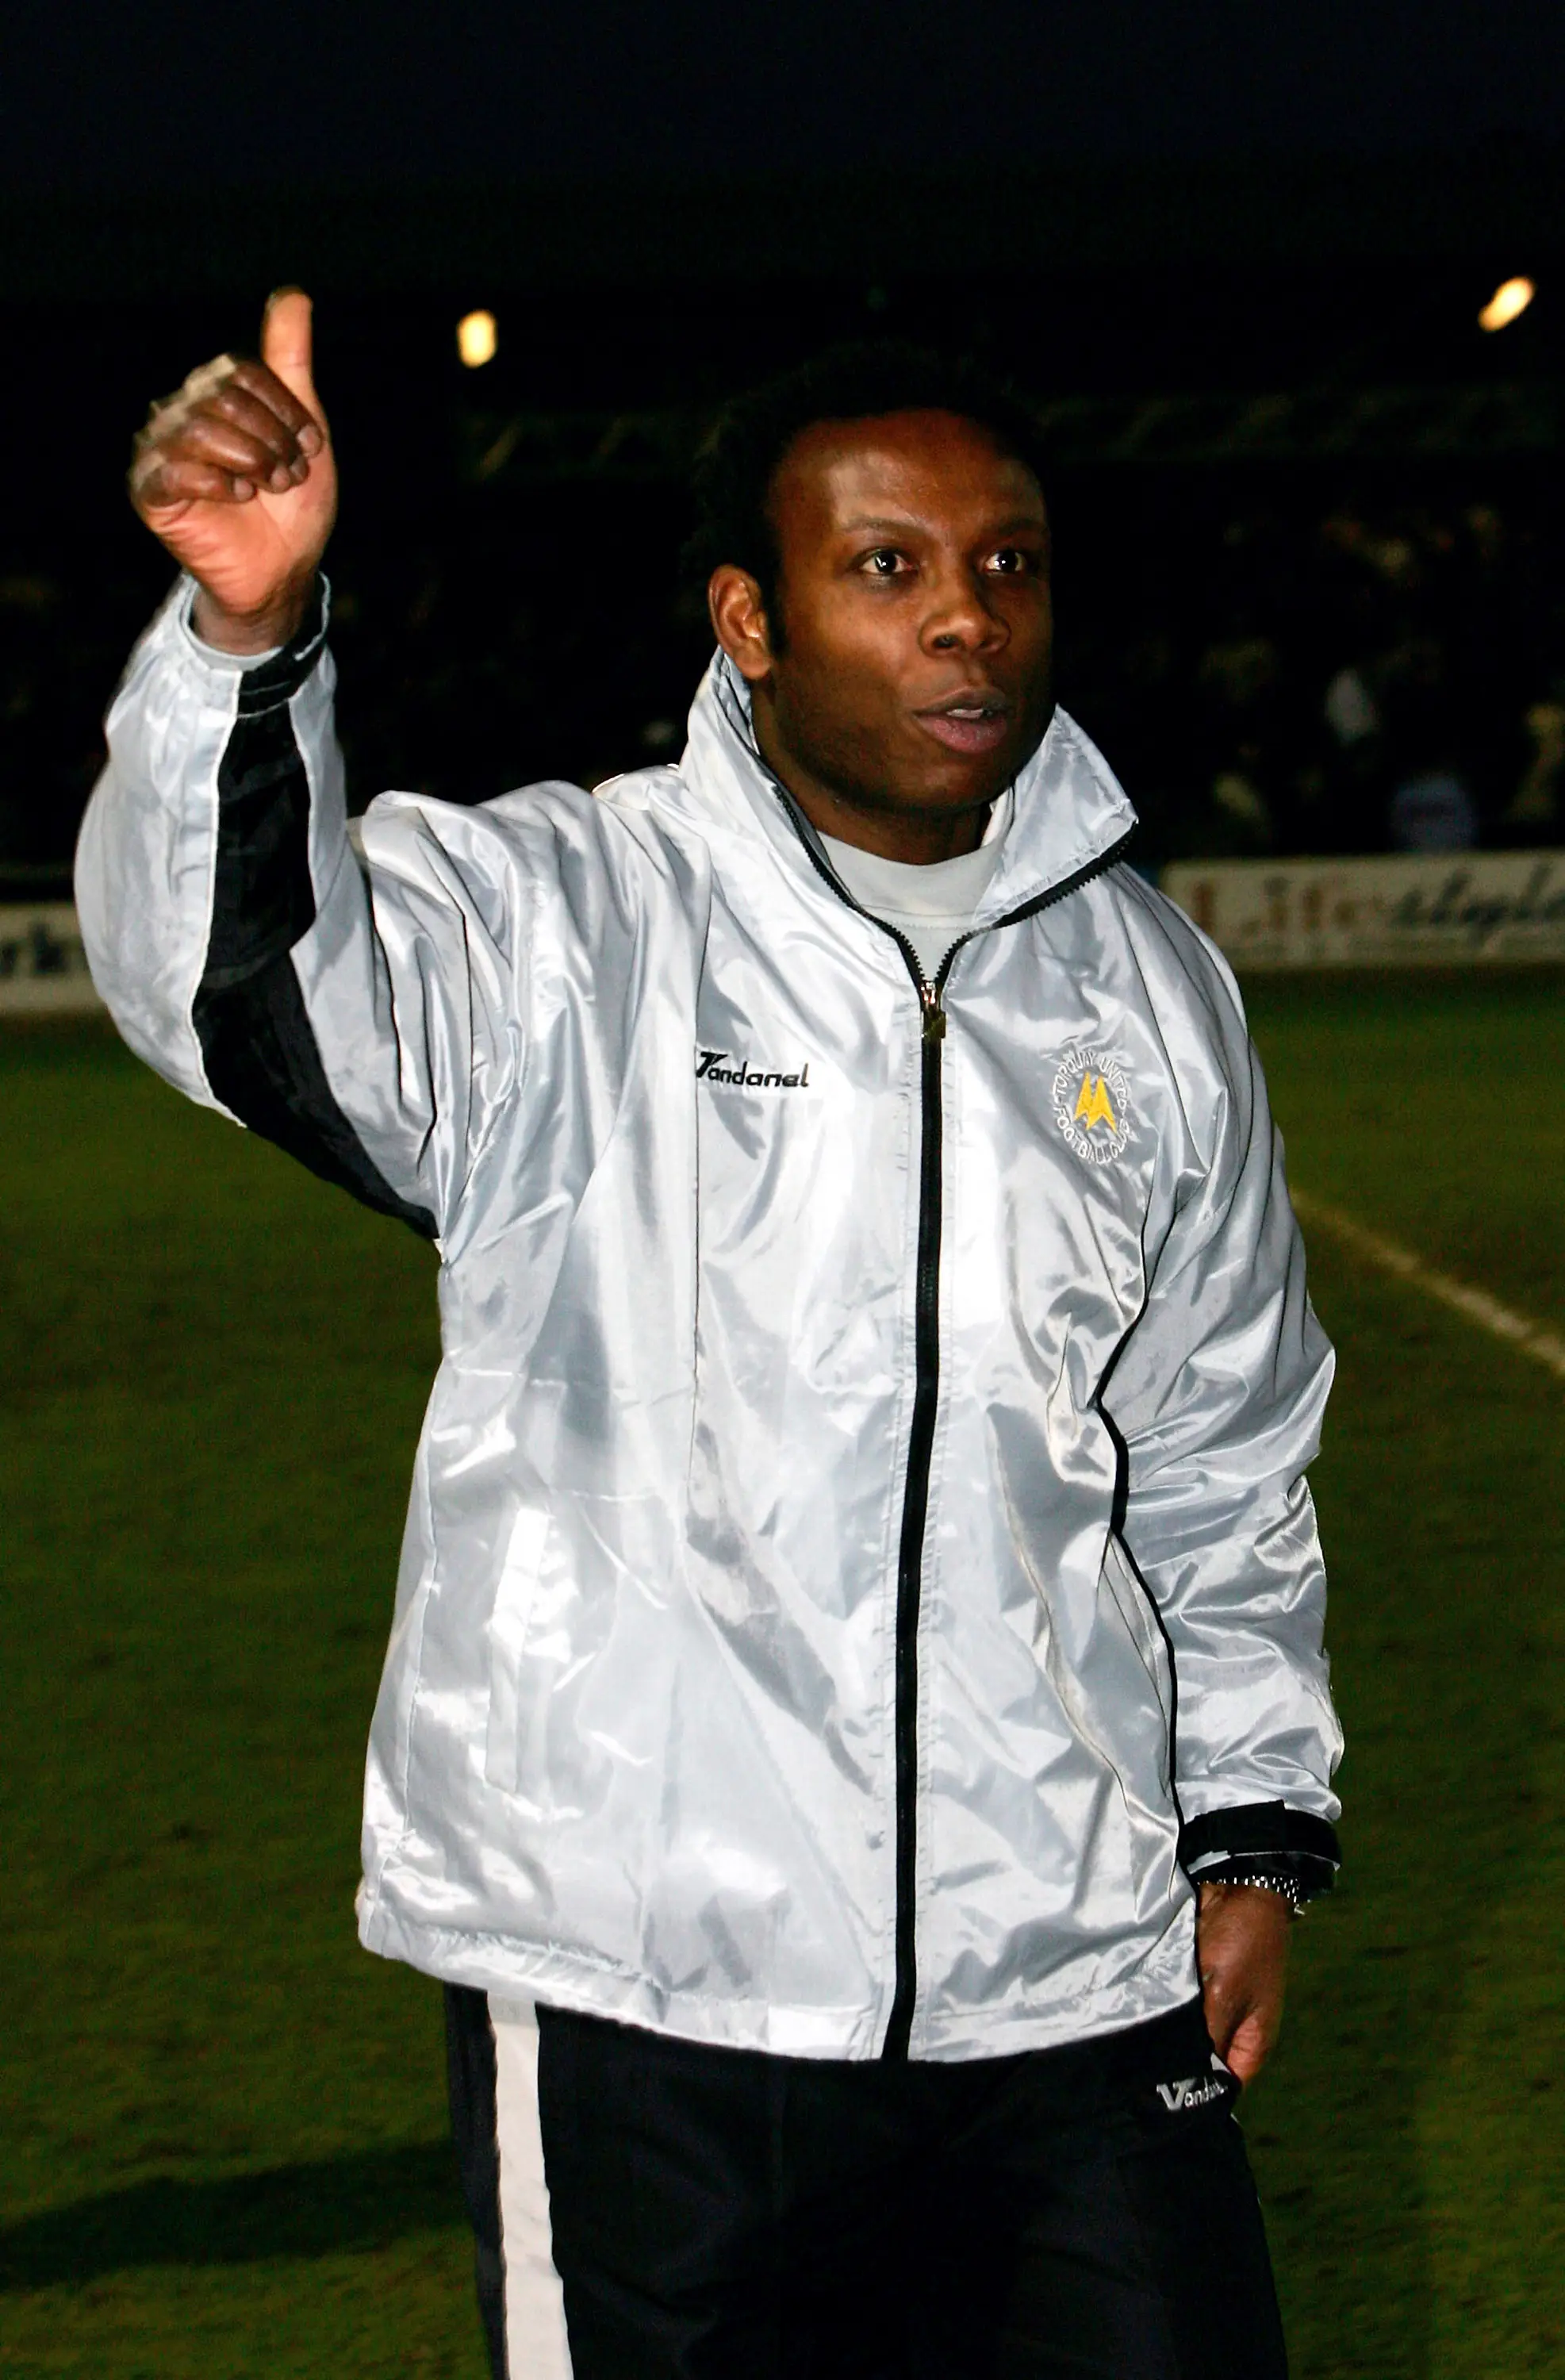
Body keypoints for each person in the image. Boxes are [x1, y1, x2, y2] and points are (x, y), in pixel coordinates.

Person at [79, 290, 1343, 2380]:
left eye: (1004, 565)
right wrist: (248, 646)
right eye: (888, 568)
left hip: (1067, 1973)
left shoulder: (1145, 991)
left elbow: (1218, 1452)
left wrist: (1249, 1830)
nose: (966, 620)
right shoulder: (562, 922)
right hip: (642, 1988)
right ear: (747, 623)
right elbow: (248, 999)